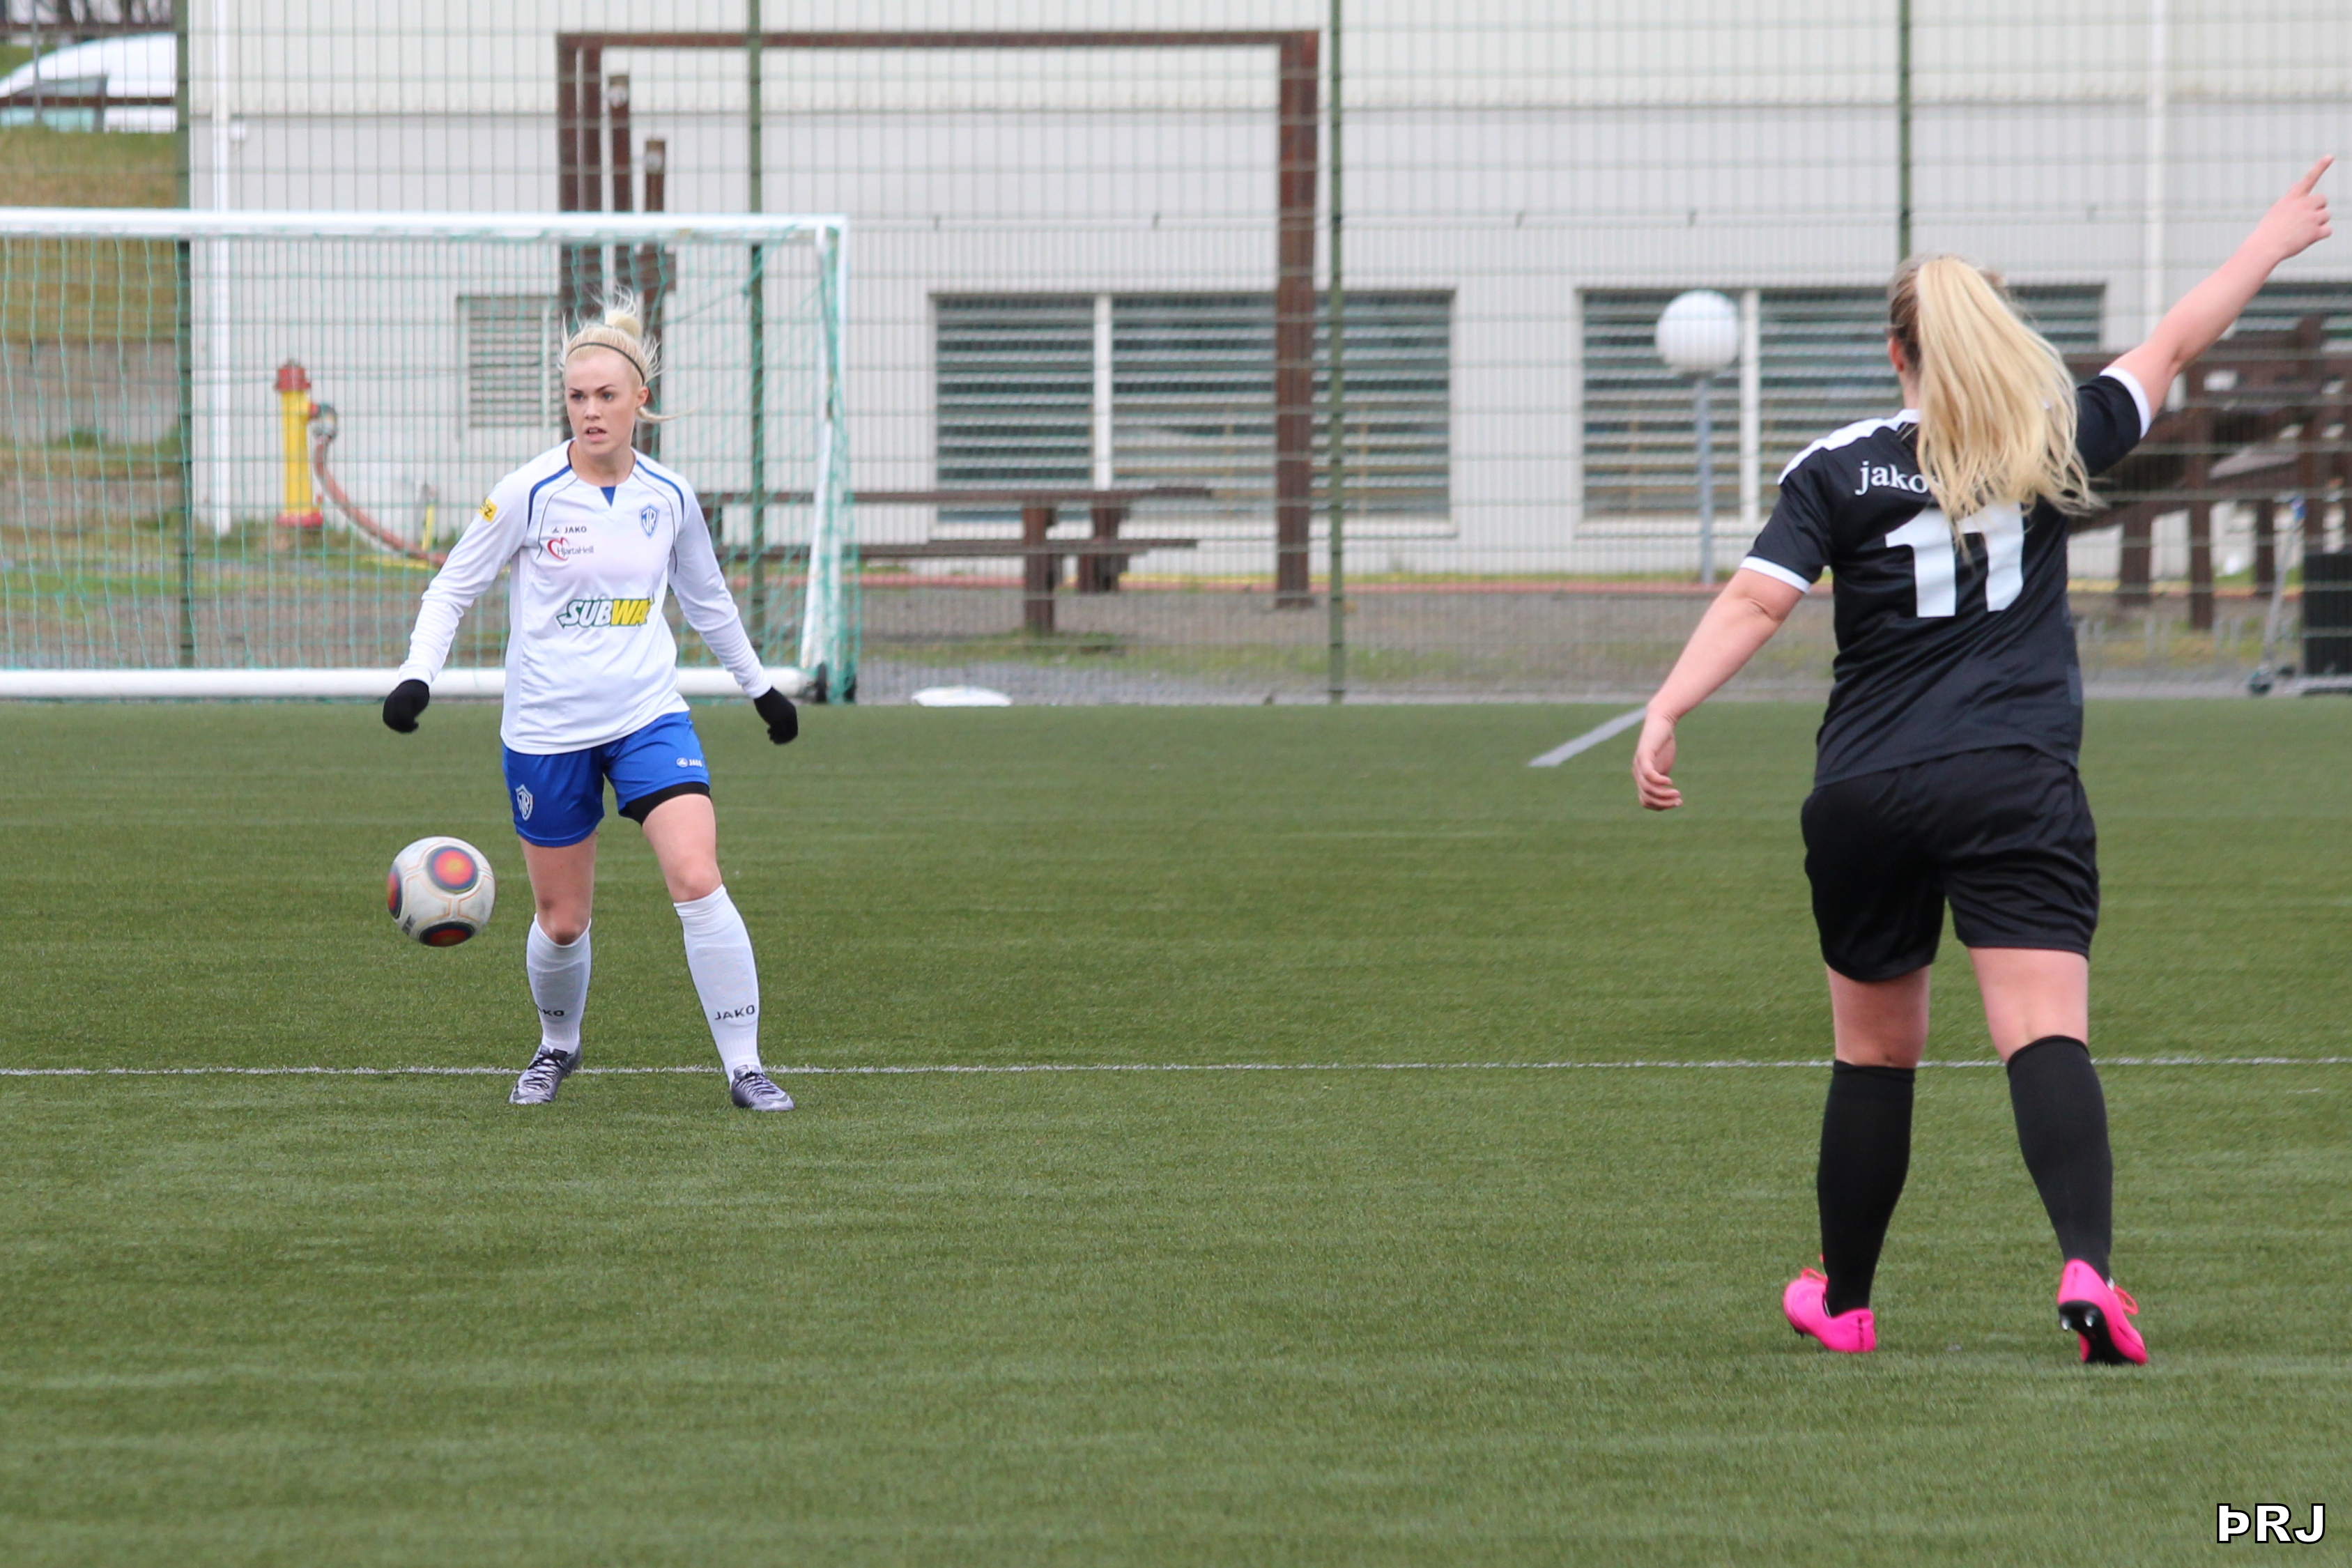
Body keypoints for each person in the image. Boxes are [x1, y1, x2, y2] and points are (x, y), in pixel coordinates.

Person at [1633, 160, 2333, 1364]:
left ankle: (1846, 1303)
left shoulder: (1836, 465)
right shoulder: (2049, 436)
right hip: (2011, 777)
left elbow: (1755, 602)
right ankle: (2086, 1267)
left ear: (1895, 354)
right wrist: (2268, 242)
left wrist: (1665, 706)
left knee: (1873, 1052)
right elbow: (2175, 339)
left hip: (1864, 790)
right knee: (2041, 1031)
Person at [382, 296, 804, 1112]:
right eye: (577, 397)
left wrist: (761, 691)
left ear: (639, 399)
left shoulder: (669, 495)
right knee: (563, 920)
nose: (591, 411)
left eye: (607, 396)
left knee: (697, 876)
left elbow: (708, 601)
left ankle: (746, 1066)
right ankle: (558, 1045)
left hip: (649, 716)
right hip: (546, 731)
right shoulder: (528, 491)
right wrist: (416, 676)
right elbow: (452, 589)